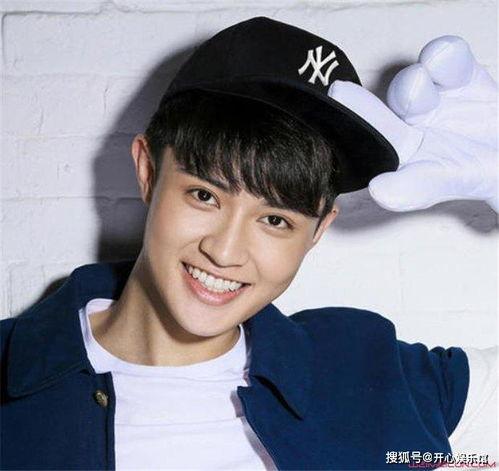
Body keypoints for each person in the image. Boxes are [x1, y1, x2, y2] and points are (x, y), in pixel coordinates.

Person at [1, 16, 497, 471]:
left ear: (319, 230)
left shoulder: (372, 376)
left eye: (276, 220)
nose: (225, 252)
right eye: (204, 195)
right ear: (148, 171)